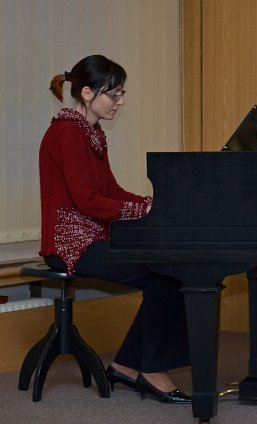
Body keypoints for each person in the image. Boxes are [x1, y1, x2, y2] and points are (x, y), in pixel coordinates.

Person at [39, 55, 190, 404]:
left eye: (122, 94)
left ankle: (126, 365)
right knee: (163, 276)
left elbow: (109, 191)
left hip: (93, 238)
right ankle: (149, 369)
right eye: (114, 95)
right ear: (88, 93)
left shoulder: (90, 132)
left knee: (168, 274)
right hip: (68, 245)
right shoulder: (67, 133)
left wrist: (152, 203)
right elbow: (87, 201)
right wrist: (139, 208)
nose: (120, 102)